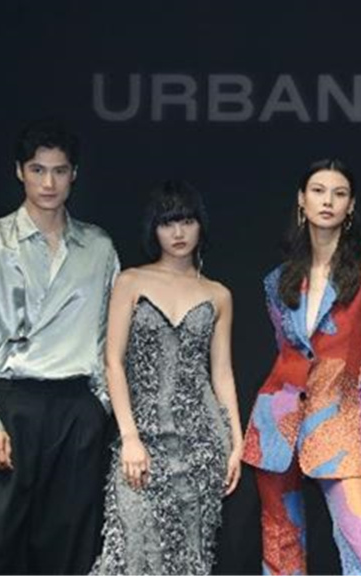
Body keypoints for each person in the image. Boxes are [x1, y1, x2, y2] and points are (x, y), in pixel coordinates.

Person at [0, 118, 119, 574]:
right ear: (19, 171)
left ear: (74, 174)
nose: (48, 183)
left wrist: (98, 407)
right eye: (38, 170)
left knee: (68, 550)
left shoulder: (98, 248)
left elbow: (108, 336)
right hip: (9, 404)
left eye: (59, 171)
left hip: (75, 408)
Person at [242, 159, 361, 575]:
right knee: (280, 546)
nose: (328, 201)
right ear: (301, 200)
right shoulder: (278, 280)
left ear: (351, 205)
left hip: (343, 425)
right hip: (276, 425)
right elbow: (287, 354)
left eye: (339, 193)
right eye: (318, 191)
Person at [92, 180, 243, 575]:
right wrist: (129, 437)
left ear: (200, 226)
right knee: (127, 552)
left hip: (202, 445)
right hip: (140, 440)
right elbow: (112, 363)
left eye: (187, 221)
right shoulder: (130, 282)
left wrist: (236, 443)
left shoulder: (218, 295)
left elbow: (222, 373)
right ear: (153, 229)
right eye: (167, 222)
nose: (178, 232)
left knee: (190, 559)